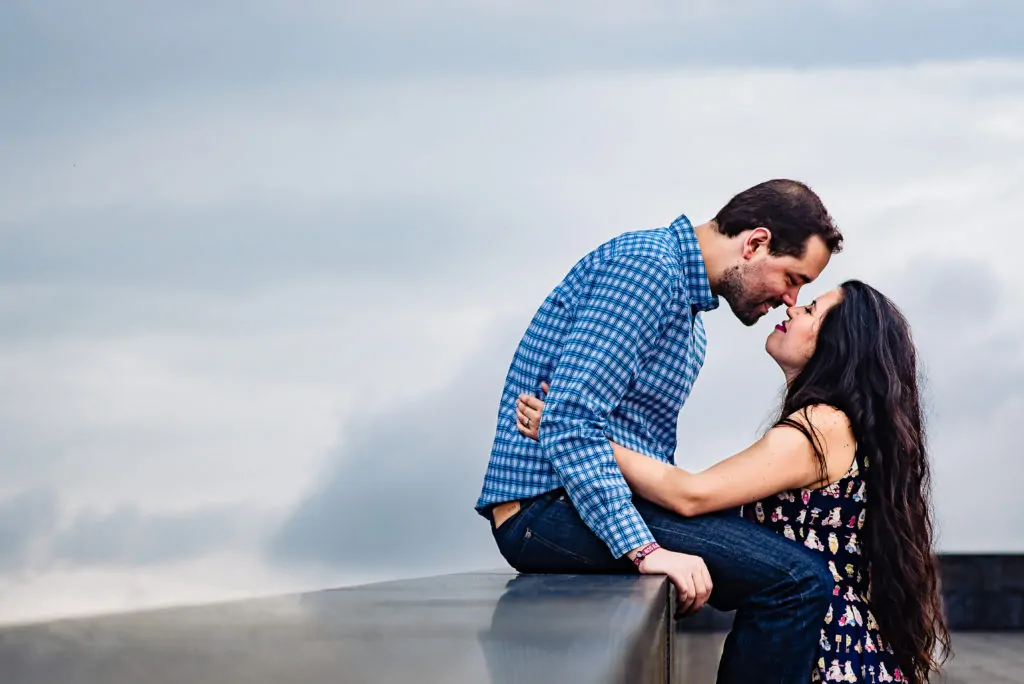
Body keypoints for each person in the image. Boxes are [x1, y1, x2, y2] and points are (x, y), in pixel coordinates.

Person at [475, 179, 844, 683]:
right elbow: (571, 420)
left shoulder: (687, 313)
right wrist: (645, 549)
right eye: (792, 277)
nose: (790, 299)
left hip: (576, 502)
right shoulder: (649, 270)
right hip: (546, 507)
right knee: (796, 581)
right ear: (755, 243)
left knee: (789, 569)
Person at [516, 280, 951, 683]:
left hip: (820, 648)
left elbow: (691, 494)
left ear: (838, 345)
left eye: (813, 310)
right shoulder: (836, 424)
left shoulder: (821, 425)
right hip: (841, 640)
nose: (794, 308)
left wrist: (581, 435)